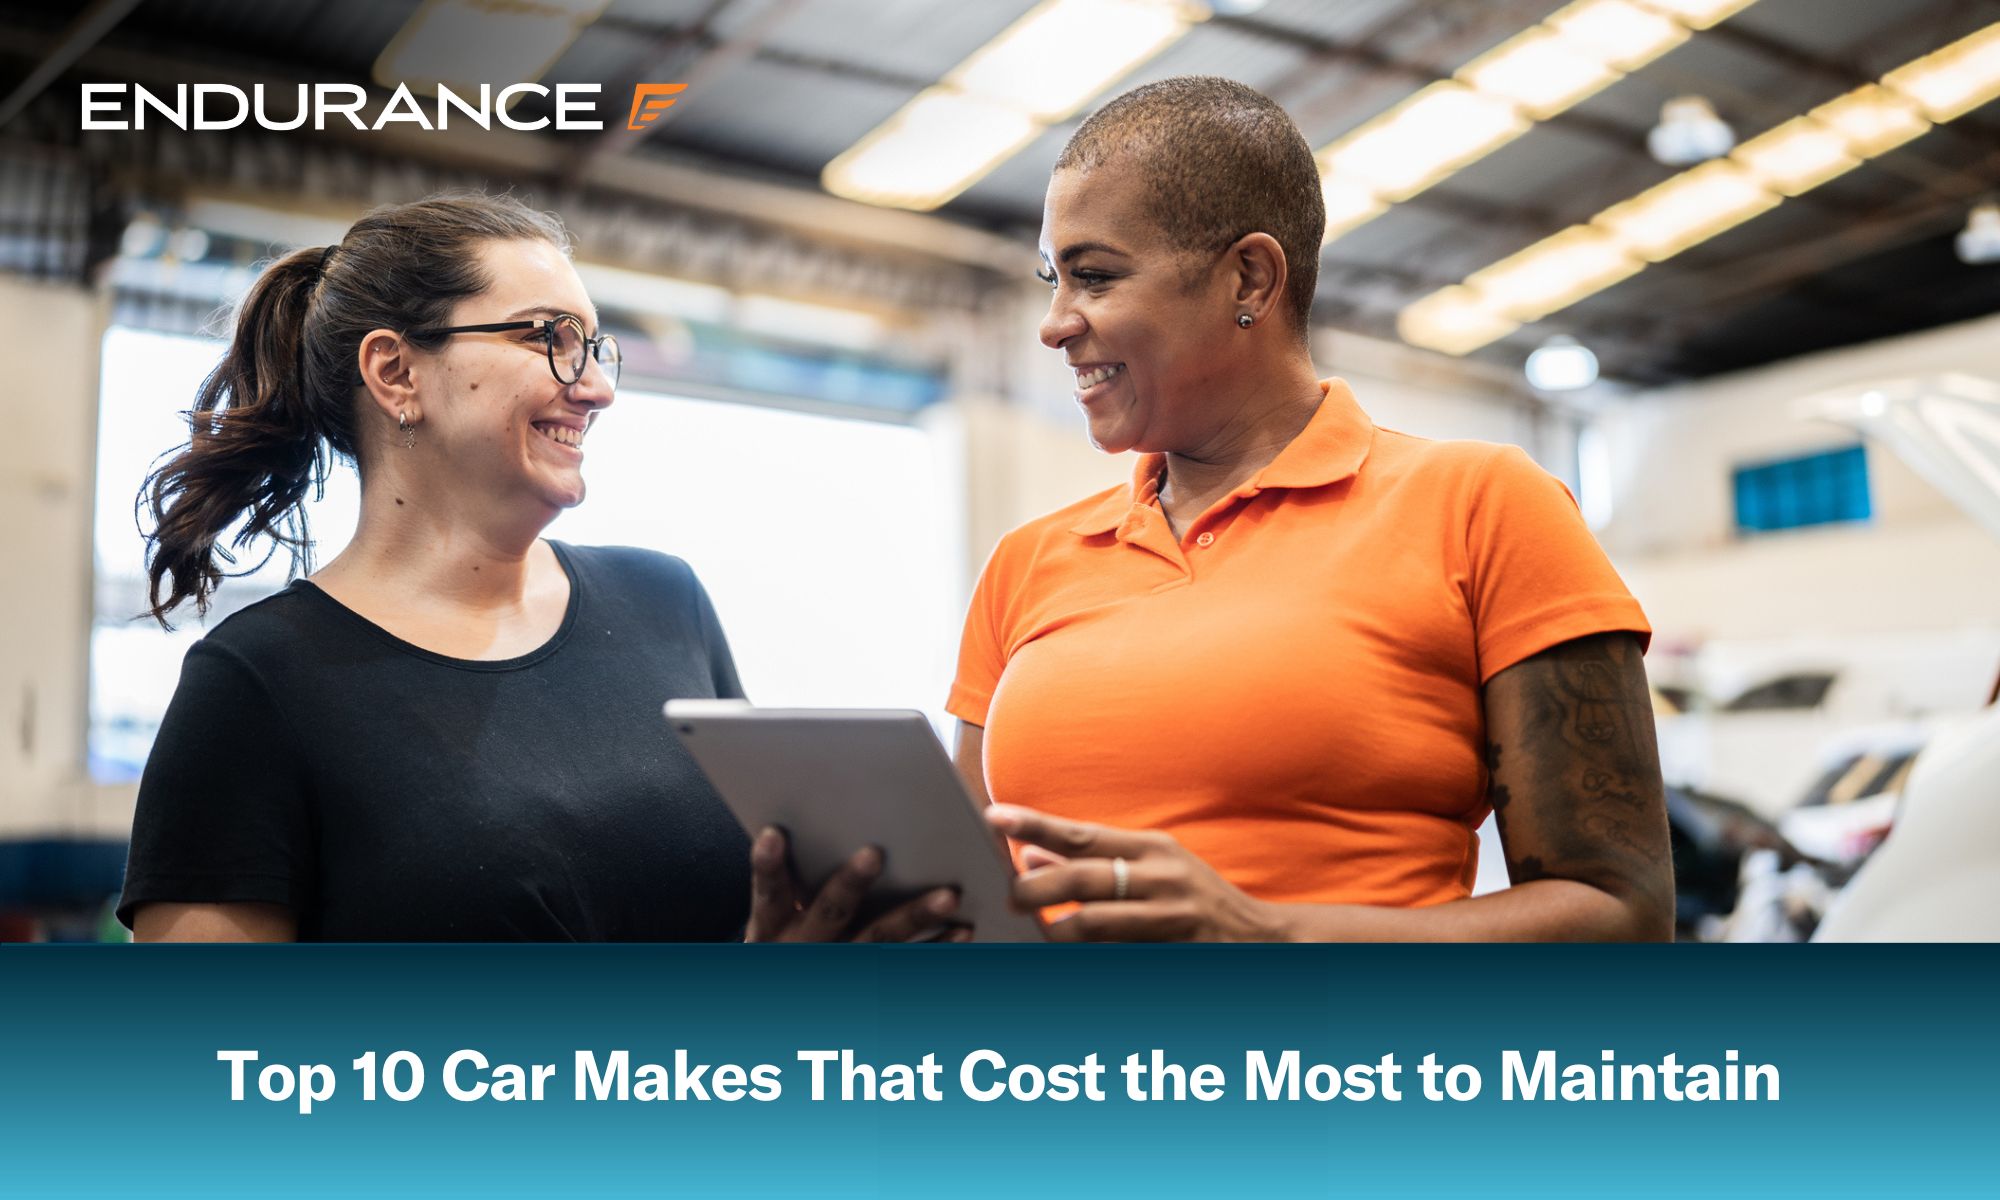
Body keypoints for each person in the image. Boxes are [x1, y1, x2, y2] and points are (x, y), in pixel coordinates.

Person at [119, 193, 958, 943]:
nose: (596, 388)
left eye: (596, 348)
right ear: (397, 371)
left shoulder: (666, 604)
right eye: (548, 338)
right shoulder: (258, 683)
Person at [946, 78, 1673, 941]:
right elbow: (966, 905)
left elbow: (1622, 914)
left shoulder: (1483, 506)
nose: (1054, 323)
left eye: (1095, 277)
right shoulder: (1026, 563)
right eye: (1052, 279)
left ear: (1248, 276)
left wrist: (1270, 936)